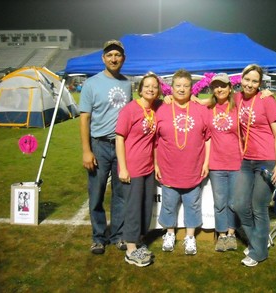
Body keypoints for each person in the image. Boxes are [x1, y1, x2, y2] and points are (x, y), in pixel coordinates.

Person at [79, 39, 131, 255]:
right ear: (103, 58)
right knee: (97, 193)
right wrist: (86, 150)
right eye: (109, 54)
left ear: (123, 58)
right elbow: (84, 119)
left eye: (117, 55)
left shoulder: (127, 83)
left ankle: (117, 235)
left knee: (120, 194)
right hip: (99, 145)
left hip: (121, 146)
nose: (113, 58)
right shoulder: (91, 83)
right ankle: (98, 237)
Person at [155, 69, 211, 255]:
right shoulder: (162, 109)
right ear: (171, 88)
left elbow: (208, 137)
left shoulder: (200, 109)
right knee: (169, 203)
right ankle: (169, 234)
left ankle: (190, 237)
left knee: (192, 204)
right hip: (168, 167)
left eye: (185, 86)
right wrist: (156, 164)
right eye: (178, 85)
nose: (181, 89)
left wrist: (206, 163)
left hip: (193, 167)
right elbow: (155, 141)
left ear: (191, 88)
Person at [233, 64, 276, 267]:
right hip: (246, 160)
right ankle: (258, 242)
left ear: (260, 84)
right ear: (241, 79)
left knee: (258, 207)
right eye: (247, 79)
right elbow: (212, 100)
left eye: (255, 81)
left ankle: (259, 253)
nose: (250, 84)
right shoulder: (237, 98)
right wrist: (191, 98)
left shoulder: (267, 100)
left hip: (266, 160)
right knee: (238, 204)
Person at [115, 73, 161, 267]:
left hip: (147, 167)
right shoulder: (130, 110)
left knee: (144, 207)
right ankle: (131, 249)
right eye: (147, 86)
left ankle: (139, 240)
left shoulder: (154, 110)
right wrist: (123, 168)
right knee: (133, 208)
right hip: (132, 167)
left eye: (154, 86)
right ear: (140, 89)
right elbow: (119, 138)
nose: (151, 89)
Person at [207, 73, 241, 252]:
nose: (219, 89)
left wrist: (266, 92)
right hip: (216, 164)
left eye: (223, 85)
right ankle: (221, 235)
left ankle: (231, 233)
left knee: (233, 202)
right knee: (219, 201)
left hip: (236, 163)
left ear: (230, 88)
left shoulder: (238, 106)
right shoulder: (208, 108)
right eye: (216, 86)